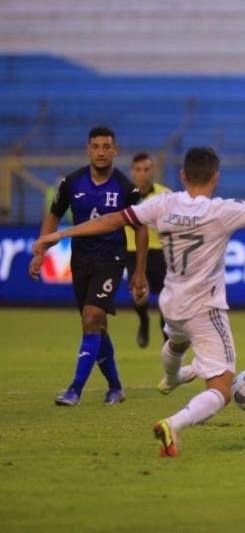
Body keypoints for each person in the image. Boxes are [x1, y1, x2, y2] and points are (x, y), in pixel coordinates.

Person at [34, 147, 245, 456]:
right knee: (221, 388)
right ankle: (173, 425)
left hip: (171, 303)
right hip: (205, 310)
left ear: (182, 176)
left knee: (177, 343)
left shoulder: (163, 204)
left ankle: (172, 376)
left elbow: (112, 220)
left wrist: (60, 234)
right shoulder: (223, 210)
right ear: (215, 178)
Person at [29, 126, 149, 406]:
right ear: (88, 150)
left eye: (107, 147)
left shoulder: (125, 187)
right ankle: (116, 387)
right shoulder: (71, 183)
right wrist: (41, 252)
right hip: (80, 261)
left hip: (111, 259)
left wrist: (139, 271)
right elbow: (54, 215)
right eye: (96, 146)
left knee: (92, 318)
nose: (101, 152)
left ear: (115, 150)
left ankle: (74, 390)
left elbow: (141, 229)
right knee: (96, 326)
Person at [126, 152, 172, 348]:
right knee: (139, 294)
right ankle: (144, 321)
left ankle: (166, 337)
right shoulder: (123, 194)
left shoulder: (165, 194)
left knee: (165, 297)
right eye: (138, 170)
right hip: (132, 250)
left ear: (152, 170)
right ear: (132, 172)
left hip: (159, 251)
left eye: (146, 169)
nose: (143, 174)